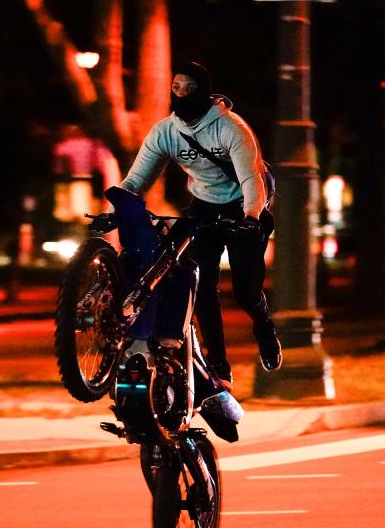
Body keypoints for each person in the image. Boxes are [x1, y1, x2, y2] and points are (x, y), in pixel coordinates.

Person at [115, 61, 282, 390]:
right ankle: (219, 364)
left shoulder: (230, 128)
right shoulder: (165, 132)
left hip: (243, 206)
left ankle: (264, 327)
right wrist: (117, 207)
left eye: (190, 90)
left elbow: (251, 178)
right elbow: (136, 179)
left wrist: (250, 219)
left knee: (247, 292)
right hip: (204, 206)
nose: (181, 95)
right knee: (202, 286)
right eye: (176, 88)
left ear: (203, 93)